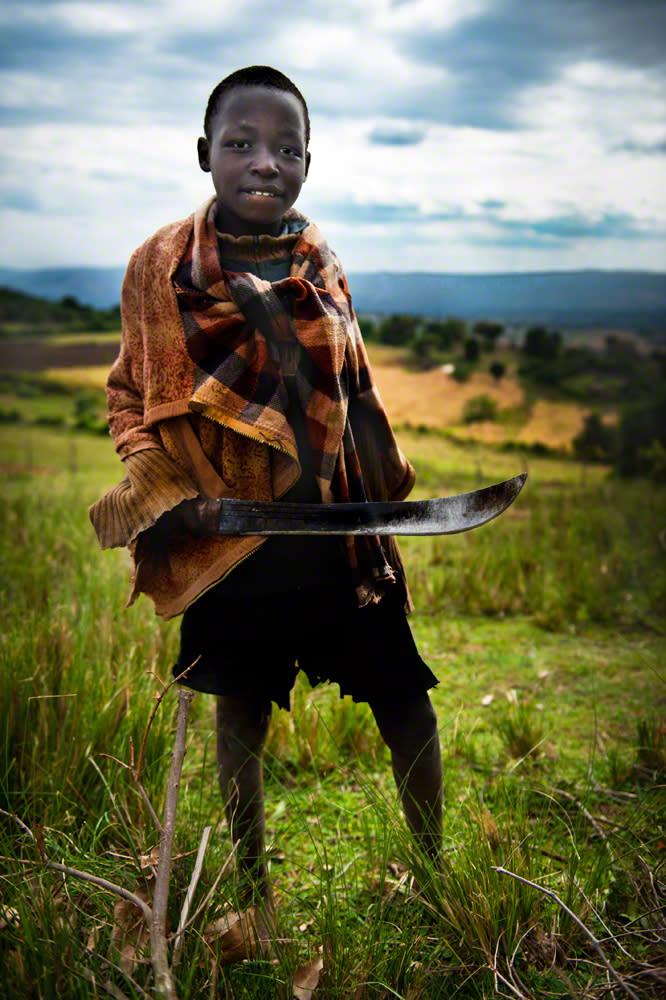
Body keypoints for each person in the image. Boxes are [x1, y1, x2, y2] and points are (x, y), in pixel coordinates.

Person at [90, 65, 442, 908]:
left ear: (307, 165)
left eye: (285, 149)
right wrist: (163, 481)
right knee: (237, 711)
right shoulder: (156, 268)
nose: (263, 163)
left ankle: (435, 876)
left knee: (405, 701)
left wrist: (387, 491)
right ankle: (251, 888)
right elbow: (129, 394)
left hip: (336, 531)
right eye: (242, 145)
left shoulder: (320, 261)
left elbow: (351, 391)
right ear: (206, 154)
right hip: (226, 538)